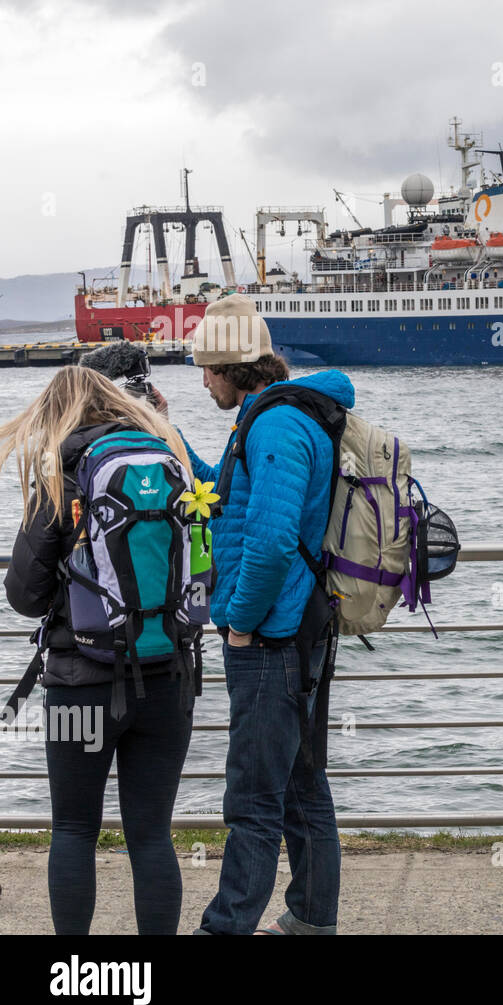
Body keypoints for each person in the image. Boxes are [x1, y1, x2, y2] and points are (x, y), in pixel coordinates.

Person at [180, 293, 354, 934]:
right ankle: (311, 916)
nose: (202, 381)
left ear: (235, 367)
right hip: (297, 630)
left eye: (207, 369)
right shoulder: (265, 419)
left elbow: (274, 537)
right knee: (303, 785)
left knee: (252, 797)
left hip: (272, 640)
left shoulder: (275, 425)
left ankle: (225, 926)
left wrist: (243, 622)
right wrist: (171, 441)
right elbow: (224, 502)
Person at [0, 366, 196, 934]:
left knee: (74, 830)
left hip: (79, 685)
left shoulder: (63, 480)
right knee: (153, 834)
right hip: (167, 677)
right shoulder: (167, 462)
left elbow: (25, 598)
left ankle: (77, 973)